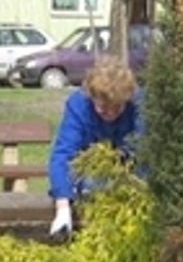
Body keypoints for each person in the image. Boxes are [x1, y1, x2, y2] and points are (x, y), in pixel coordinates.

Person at [48, 57, 143, 237]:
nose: (111, 114)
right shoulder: (79, 105)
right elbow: (63, 155)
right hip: (92, 180)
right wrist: (63, 209)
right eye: (104, 107)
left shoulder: (139, 105)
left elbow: (146, 152)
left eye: (117, 107)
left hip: (133, 176)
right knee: (92, 184)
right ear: (92, 97)